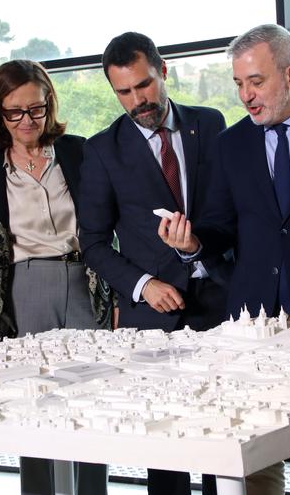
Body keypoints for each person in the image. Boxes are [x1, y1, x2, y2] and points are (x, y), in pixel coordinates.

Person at [159, 23, 290, 495]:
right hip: (252, 319)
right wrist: (191, 244)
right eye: (238, 84)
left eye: (256, 82)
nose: (245, 96)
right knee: (254, 442)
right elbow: (218, 226)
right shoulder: (231, 145)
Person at [0, 60, 110, 495]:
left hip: (83, 285)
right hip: (24, 288)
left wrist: (115, 300)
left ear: (48, 104)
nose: (26, 121)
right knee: (34, 404)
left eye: (35, 109)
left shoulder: (78, 151)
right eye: (14, 112)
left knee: (92, 402)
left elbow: (104, 230)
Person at [78, 32, 233, 495]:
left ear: (163, 72)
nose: (136, 100)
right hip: (151, 315)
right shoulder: (102, 149)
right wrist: (142, 284)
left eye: (143, 85)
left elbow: (227, 214)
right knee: (165, 446)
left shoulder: (211, 124)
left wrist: (197, 247)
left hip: (219, 303)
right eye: (123, 92)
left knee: (221, 433)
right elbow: (93, 243)